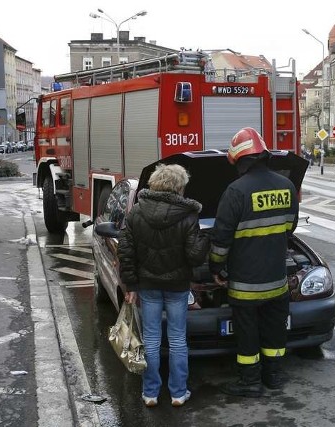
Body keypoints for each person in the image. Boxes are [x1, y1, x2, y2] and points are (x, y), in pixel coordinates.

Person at [209, 127, 299, 397]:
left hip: (246, 284)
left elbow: (221, 240)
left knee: (247, 334)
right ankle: (274, 376)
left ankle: (249, 383)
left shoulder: (236, 191)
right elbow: (290, 228)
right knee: (274, 332)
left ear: (240, 160)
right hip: (277, 280)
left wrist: (215, 268)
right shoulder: (286, 186)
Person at [117, 163, 210, 408]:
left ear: (154, 183)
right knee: (178, 339)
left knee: (151, 339)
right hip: (178, 286)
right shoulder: (188, 215)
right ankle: (178, 393)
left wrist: (131, 285)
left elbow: (126, 252)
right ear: (179, 186)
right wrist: (205, 241)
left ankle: (150, 393)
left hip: (148, 286)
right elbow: (194, 256)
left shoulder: (136, 212)